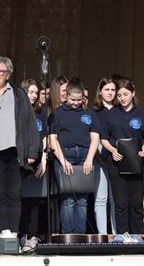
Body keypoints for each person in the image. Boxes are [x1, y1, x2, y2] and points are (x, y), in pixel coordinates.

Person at [0, 56, 39, 238]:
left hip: (15, 152)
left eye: (1, 71)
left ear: (8, 74)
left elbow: (30, 123)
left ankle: (13, 234)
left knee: (14, 194)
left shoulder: (18, 93)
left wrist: (32, 151)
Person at [100, 78, 144, 234]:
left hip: (136, 163)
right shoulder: (110, 115)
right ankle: (123, 237)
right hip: (117, 163)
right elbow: (103, 137)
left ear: (133, 93)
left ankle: (137, 235)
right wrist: (112, 150)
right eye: (119, 95)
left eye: (125, 94)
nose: (122, 98)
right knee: (121, 203)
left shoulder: (141, 114)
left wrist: (143, 149)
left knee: (137, 203)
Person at [49, 80, 99, 234]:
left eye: (79, 100)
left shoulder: (89, 113)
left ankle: (80, 237)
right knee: (68, 200)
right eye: (73, 100)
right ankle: (68, 237)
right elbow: (52, 139)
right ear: (66, 95)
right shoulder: (58, 113)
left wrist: (90, 159)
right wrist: (63, 161)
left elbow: (95, 137)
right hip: (65, 155)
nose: (76, 103)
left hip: (85, 155)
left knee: (83, 200)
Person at [19, 79, 46, 250]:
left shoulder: (40, 114)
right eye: (31, 92)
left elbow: (44, 138)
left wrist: (43, 160)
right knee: (22, 200)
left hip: (37, 162)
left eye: (36, 93)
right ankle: (22, 235)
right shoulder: (18, 113)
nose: (34, 96)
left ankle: (33, 235)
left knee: (35, 200)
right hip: (22, 162)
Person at [92, 77, 117, 235]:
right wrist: (99, 158)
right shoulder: (93, 112)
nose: (110, 93)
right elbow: (91, 137)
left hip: (116, 154)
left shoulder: (120, 110)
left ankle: (116, 234)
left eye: (113, 90)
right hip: (98, 153)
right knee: (101, 198)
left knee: (115, 199)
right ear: (100, 92)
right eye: (106, 89)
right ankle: (102, 234)